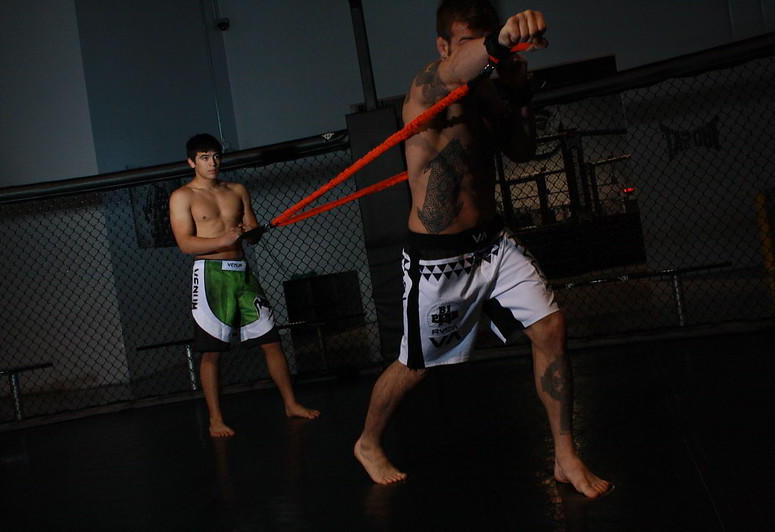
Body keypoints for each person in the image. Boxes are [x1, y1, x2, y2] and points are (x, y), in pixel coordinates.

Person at [354, 1, 612, 498]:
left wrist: (517, 90)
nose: (478, 49)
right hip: (437, 258)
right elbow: (458, 68)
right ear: (443, 45)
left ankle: (565, 454)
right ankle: (367, 442)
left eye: (485, 37)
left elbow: (522, 150)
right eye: (465, 40)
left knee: (551, 328)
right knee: (415, 365)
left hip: (492, 244)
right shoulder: (427, 86)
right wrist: (498, 43)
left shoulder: (489, 92)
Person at [169, 133, 319, 438]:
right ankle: (215, 420)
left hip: (242, 272)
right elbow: (185, 244)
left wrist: (250, 232)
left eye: (216, 156)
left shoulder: (237, 190)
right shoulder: (182, 196)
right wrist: (222, 239)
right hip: (211, 275)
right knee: (212, 352)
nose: (212, 162)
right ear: (191, 162)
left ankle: (290, 404)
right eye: (204, 157)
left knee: (271, 341)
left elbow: (253, 233)